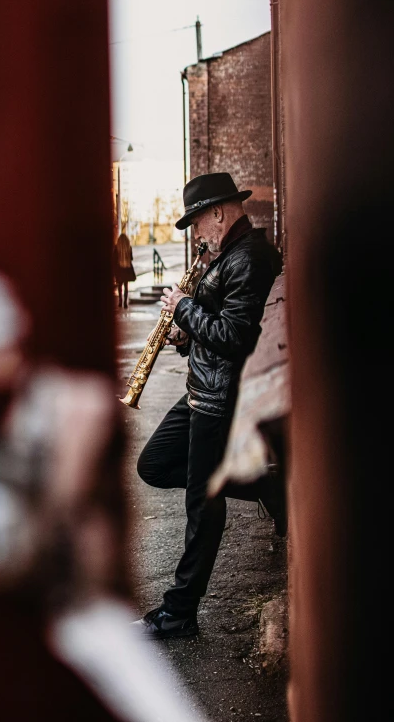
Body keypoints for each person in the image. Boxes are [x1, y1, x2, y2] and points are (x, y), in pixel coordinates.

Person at [133, 172, 282, 640]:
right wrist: (184, 333)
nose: (197, 235)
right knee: (154, 464)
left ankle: (179, 612)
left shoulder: (249, 257)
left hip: (219, 398)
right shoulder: (226, 257)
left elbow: (235, 337)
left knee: (204, 503)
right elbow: (215, 328)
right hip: (202, 388)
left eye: (197, 223)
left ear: (218, 212)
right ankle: (267, 485)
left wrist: (182, 308)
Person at [114, 232, 136, 308]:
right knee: (126, 286)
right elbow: (131, 258)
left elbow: (114, 259)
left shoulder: (116, 247)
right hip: (127, 269)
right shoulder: (129, 247)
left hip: (119, 269)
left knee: (119, 286)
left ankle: (120, 301)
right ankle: (125, 303)